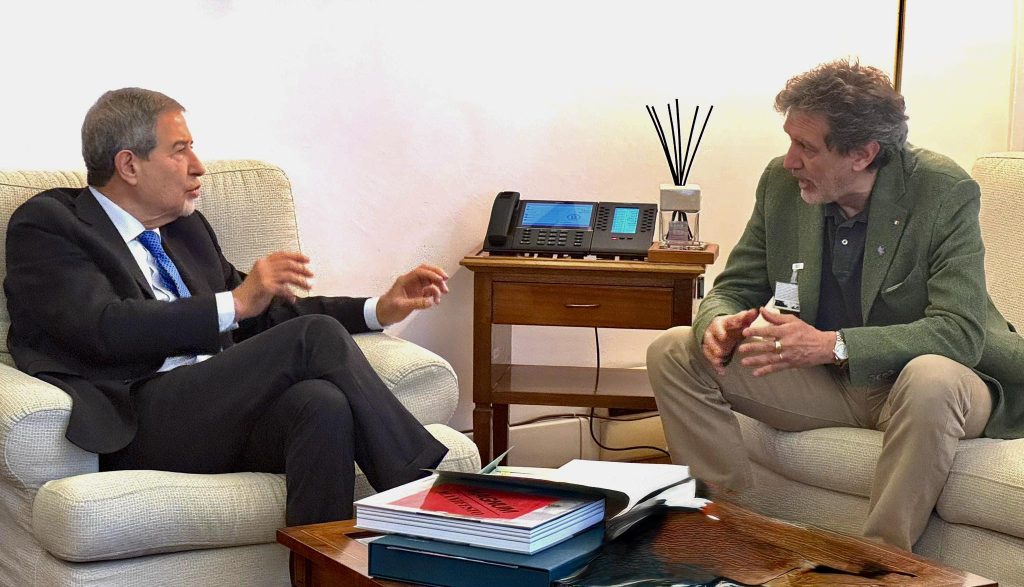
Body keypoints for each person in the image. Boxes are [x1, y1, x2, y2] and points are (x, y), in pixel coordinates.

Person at [4, 87, 451, 526]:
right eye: (180, 150)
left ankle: (319, 565)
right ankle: (425, 500)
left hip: (217, 412)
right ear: (129, 165)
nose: (198, 166)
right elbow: (104, 327)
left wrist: (377, 309)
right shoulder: (50, 224)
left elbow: (263, 314)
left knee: (322, 404)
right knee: (313, 337)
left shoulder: (187, 230)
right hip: (136, 418)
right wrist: (236, 303)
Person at [647, 58, 1024, 551]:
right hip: (830, 384)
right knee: (675, 350)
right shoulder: (780, 185)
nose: (790, 161)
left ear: (863, 154)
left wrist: (834, 345)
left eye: (806, 147)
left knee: (931, 375)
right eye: (790, 142)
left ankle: (880, 565)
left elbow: (960, 332)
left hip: (933, 387)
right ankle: (726, 539)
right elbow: (734, 286)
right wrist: (719, 322)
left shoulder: (941, 190)